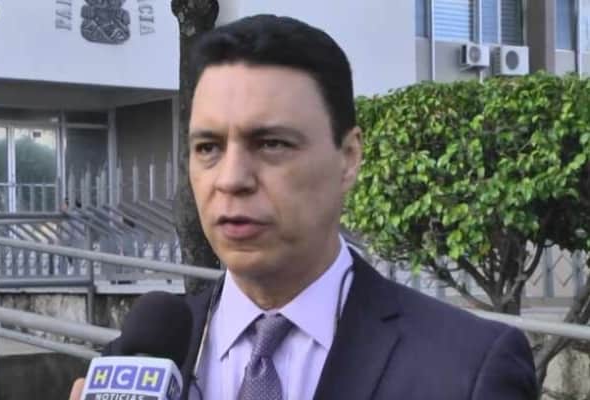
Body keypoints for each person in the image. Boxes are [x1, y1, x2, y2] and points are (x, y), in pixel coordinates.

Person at [71, 14, 538, 400]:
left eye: (271, 143)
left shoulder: (467, 370)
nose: (231, 179)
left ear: (348, 157)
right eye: (208, 148)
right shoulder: (143, 361)